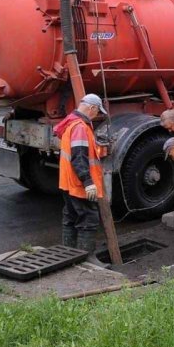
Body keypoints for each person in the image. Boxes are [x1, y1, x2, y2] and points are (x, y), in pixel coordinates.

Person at [53, 93, 108, 257]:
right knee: (88, 220)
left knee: (70, 216)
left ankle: (67, 254)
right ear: (92, 108)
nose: (97, 115)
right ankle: (87, 259)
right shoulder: (80, 127)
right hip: (79, 184)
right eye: (98, 111)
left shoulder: (71, 123)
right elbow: (79, 156)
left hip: (68, 182)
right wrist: (88, 182)